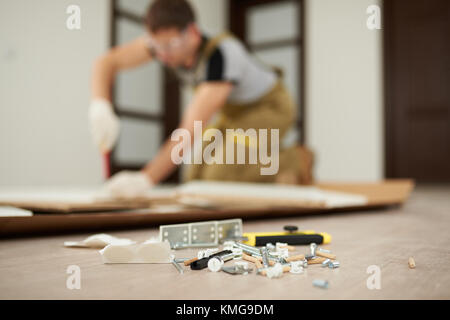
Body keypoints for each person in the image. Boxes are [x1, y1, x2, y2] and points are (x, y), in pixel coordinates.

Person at [89, 0, 310, 199]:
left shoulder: (221, 57)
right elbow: (106, 63)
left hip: (270, 106)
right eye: (156, 47)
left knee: (218, 178)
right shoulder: (162, 44)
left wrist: (145, 179)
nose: (163, 56)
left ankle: (292, 161)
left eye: (169, 46)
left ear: (192, 33)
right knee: (194, 179)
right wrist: (100, 105)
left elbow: (189, 130)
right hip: (232, 111)